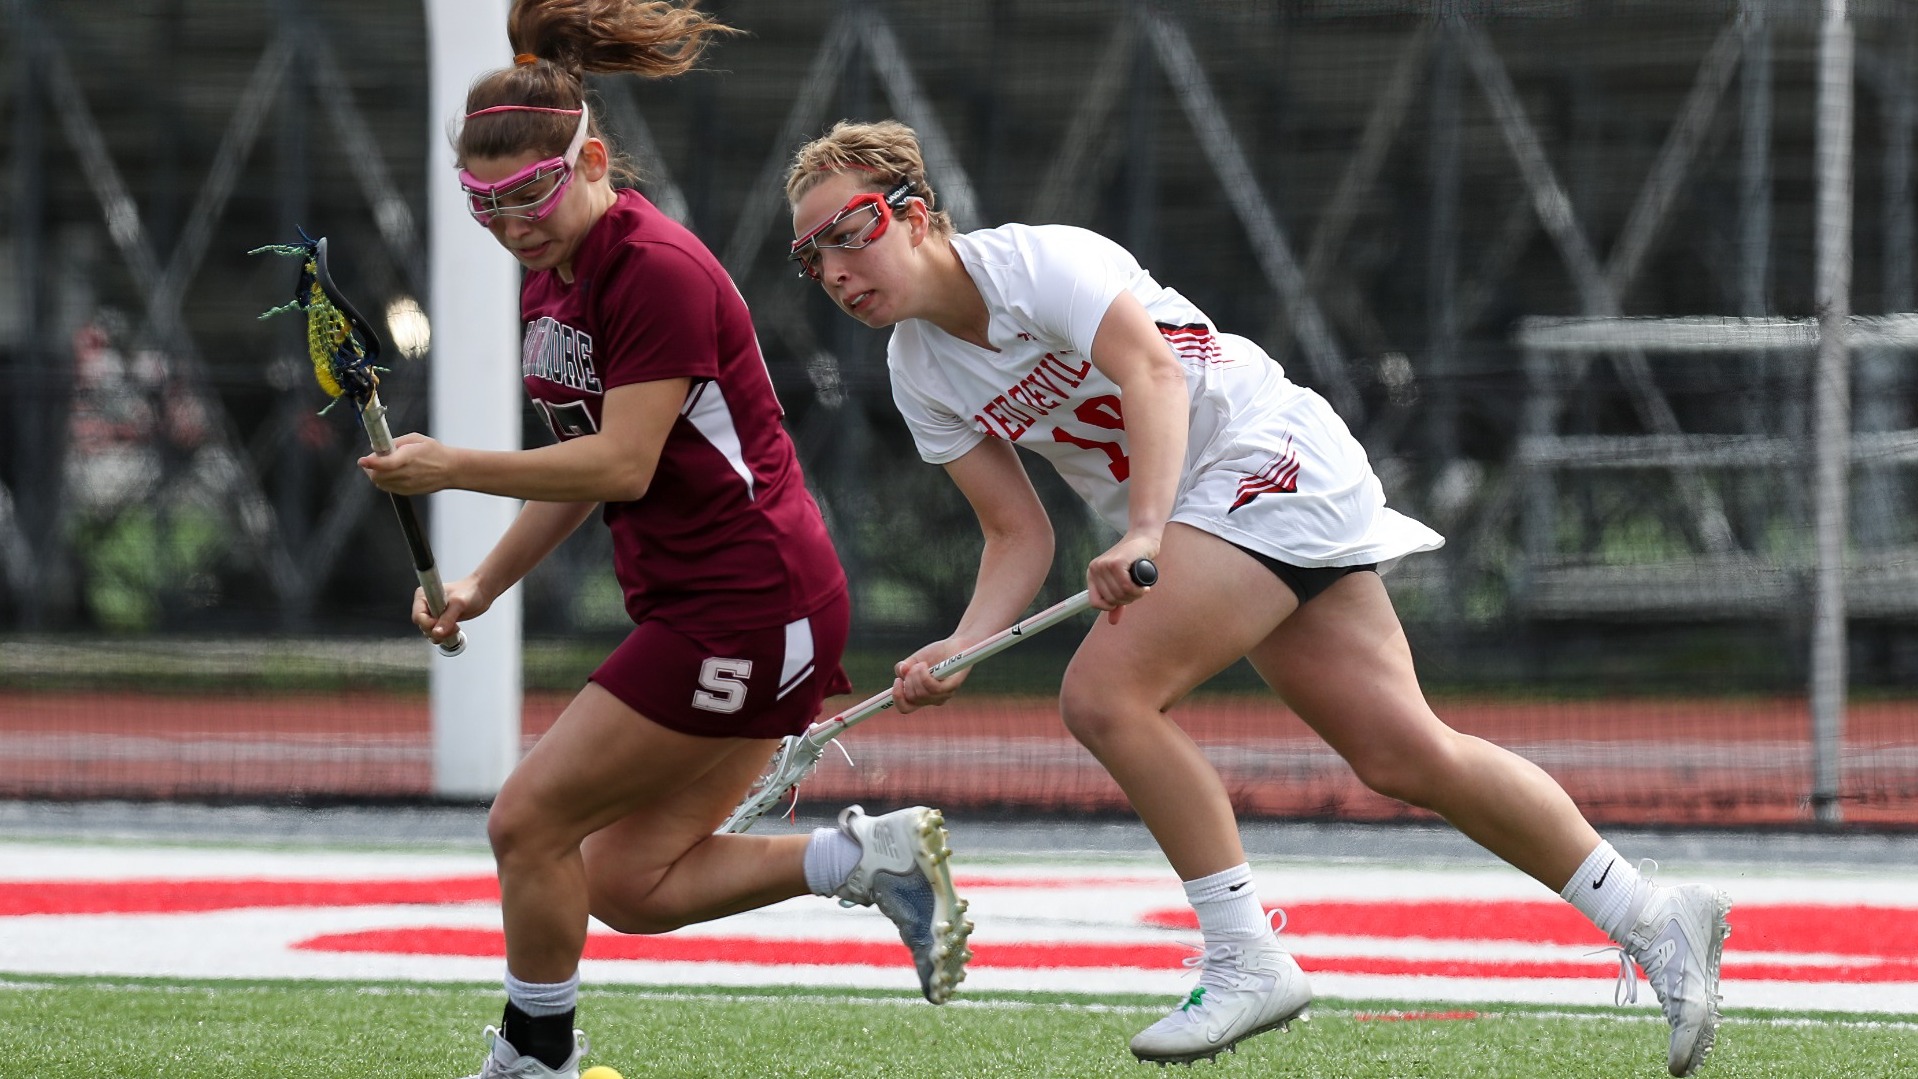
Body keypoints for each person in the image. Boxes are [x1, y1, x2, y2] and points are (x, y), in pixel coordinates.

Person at [784, 119, 1731, 1077]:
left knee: (1104, 697)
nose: (836, 270)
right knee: (1404, 751)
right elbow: (1015, 535)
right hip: (1212, 515)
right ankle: (1654, 915)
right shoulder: (918, 370)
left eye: (850, 233)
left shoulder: (1038, 264)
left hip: (1264, 459)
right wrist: (963, 643)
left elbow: (1153, 372)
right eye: (813, 257)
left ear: (916, 215)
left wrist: (1143, 531)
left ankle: (1245, 956)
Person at [360, 11, 974, 1078]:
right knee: (629, 883)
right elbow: (582, 455)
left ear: (592, 162)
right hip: (724, 604)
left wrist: (451, 464)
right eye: (484, 203)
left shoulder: (652, 268)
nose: (510, 223)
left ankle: (535, 1060)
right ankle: (866, 856)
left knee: (526, 819)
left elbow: (620, 463)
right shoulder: (554, 272)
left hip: (745, 603)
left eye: (530, 193)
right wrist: (483, 582)